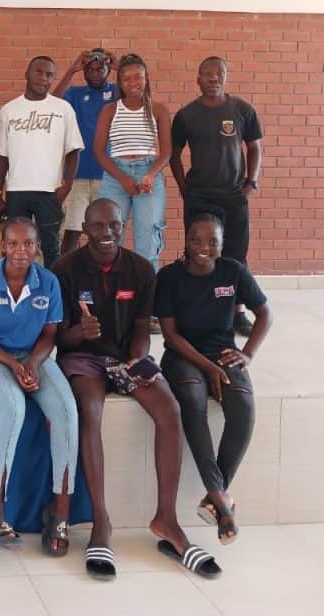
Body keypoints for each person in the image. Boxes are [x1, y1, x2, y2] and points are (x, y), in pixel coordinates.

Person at [54, 199, 221, 580]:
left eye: (114, 225)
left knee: (170, 410)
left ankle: (167, 520)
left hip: (125, 357)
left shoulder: (142, 269)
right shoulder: (64, 269)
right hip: (82, 358)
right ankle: (101, 523)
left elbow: (143, 325)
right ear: (85, 228)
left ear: (124, 225)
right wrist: (80, 332)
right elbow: (59, 338)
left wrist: (137, 359)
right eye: (98, 226)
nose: (107, 233)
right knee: (90, 411)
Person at [0, 217, 78, 555]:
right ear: (3, 246)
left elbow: (49, 335)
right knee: (13, 409)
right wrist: (13, 365)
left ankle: (60, 512)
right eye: (13, 243)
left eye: (28, 243)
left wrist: (33, 363)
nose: (21, 251)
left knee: (67, 412)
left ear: (38, 247)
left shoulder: (48, 282)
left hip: (33, 356)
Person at [155, 212, 272, 545]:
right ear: (186, 241)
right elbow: (171, 335)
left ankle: (215, 495)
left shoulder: (233, 271)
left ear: (221, 245)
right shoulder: (169, 277)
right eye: (196, 240)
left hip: (223, 353)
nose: (203, 247)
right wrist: (207, 368)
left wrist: (247, 354)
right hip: (183, 356)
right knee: (193, 402)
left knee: (243, 408)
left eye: (212, 242)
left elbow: (265, 313)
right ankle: (221, 500)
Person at [170, 57, 264, 336]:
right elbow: (174, 154)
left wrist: (251, 182)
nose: (213, 79)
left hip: (233, 196)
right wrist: (184, 187)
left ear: (226, 76)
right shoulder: (186, 115)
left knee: (236, 255)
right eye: (207, 74)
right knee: (197, 253)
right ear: (198, 79)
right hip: (199, 197)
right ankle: (193, 309)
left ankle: (237, 312)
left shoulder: (242, 110)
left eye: (219, 73)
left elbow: (255, 148)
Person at [94, 54, 172, 333]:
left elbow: (166, 151)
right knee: (107, 239)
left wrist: (150, 174)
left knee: (147, 245)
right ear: (119, 82)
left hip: (149, 175)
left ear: (146, 78)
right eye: (126, 78)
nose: (133, 82)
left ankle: (145, 311)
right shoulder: (109, 111)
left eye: (138, 76)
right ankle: (108, 304)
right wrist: (123, 178)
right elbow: (99, 152)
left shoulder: (158, 110)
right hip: (116, 176)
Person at [0, 56, 84, 268]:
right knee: (16, 249)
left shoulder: (63, 109)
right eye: (39, 72)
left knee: (51, 249)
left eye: (49, 75)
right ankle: (18, 286)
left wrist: (67, 185)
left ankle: (51, 288)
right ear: (27, 74)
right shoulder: (9, 110)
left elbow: (73, 150)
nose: (43, 78)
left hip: (50, 192)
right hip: (17, 191)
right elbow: (1, 157)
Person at [53, 49, 118, 258]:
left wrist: (120, 67)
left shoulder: (117, 92)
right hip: (77, 175)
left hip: (108, 176)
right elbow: (51, 103)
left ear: (108, 70)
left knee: (107, 234)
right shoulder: (76, 93)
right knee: (72, 233)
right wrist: (71, 70)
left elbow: (140, 96)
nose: (96, 73)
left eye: (101, 69)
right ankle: (65, 275)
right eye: (90, 69)